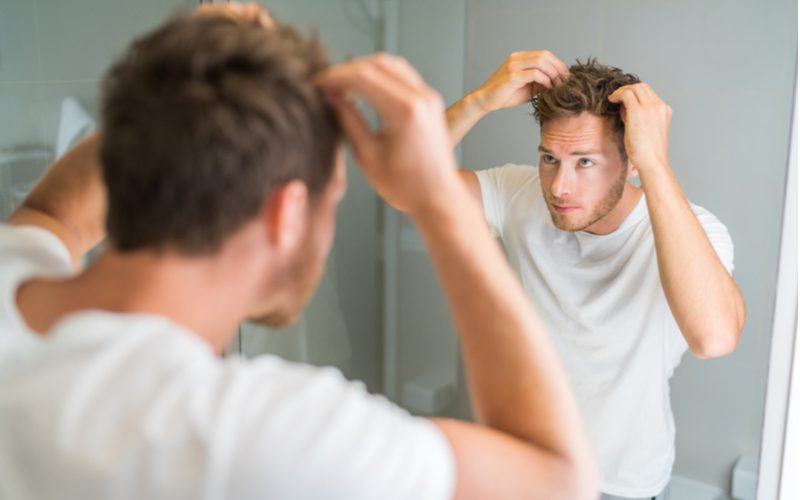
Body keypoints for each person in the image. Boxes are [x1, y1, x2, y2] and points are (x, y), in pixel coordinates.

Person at [0, 5, 597, 500]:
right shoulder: (256, 437)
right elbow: (557, 478)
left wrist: (184, 91)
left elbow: (51, 214)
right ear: (287, 214)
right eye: (330, 198)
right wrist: (437, 198)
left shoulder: (12, 272)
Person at [445, 52, 746, 500]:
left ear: (632, 162)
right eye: (550, 158)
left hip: (620, 483)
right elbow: (400, 185)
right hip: (524, 463)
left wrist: (656, 164)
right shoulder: (519, 194)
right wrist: (477, 102)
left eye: (584, 162)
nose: (559, 187)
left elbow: (715, 338)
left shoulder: (694, 231)